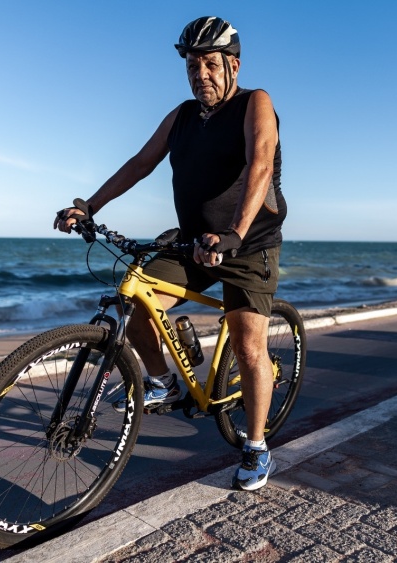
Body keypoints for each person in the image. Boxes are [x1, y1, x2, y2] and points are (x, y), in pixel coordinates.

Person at [53, 16, 287, 492]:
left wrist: (235, 233)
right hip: (194, 241)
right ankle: (163, 381)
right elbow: (140, 163)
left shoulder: (254, 103)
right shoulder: (181, 116)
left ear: (233, 65)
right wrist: (89, 206)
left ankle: (256, 445)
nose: (201, 74)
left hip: (248, 244)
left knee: (248, 346)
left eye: (210, 64)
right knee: (134, 298)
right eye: (193, 66)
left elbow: (261, 164)